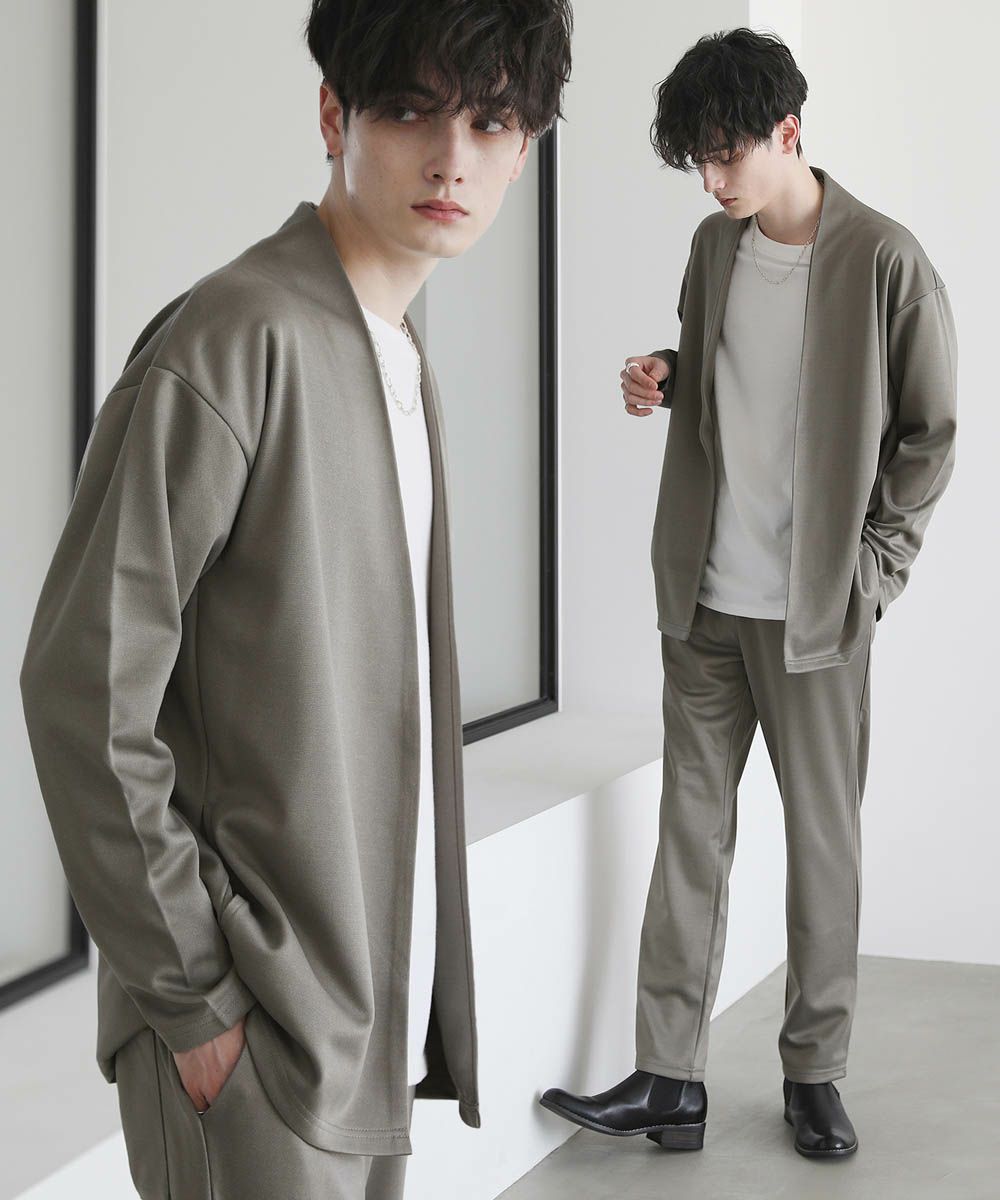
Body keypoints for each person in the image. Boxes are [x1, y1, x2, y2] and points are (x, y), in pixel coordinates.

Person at [18, 1, 572, 1196]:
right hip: (256, 1042)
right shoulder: (234, 340)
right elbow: (81, 691)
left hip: (358, 1035)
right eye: (410, 110)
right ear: (334, 114)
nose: (452, 159)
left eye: (489, 122)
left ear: (525, 148)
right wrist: (199, 1005)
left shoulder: (397, 356)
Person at [540, 27, 957, 1160]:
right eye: (699, 161)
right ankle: (668, 1078)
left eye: (727, 155)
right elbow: (737, 381)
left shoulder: (885, 260)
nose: (713, 180)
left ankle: (814, 1074)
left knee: (822, 849)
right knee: (691, 837)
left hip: (818, 613)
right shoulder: (713, 248)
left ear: (788, 130)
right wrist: (668, 375)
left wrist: (875, 572)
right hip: (706, 599)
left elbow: (929, 433)